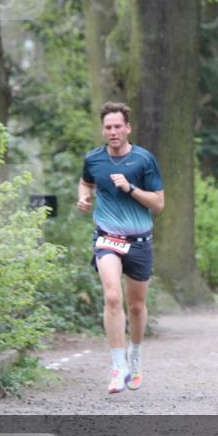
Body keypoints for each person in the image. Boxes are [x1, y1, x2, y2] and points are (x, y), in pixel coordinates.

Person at [77, 102, 165, 394]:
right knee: (112, 297)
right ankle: (118, 367)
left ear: (128, 128)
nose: (113, 132)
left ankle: (135, 357)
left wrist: (131, 188)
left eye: (118, 126)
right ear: (103, 130)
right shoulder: (94, 159)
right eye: (108, 127)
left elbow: (159, 204)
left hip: (139, 241)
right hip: (107, 239)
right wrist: (84, 198)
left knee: (137, 306)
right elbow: (86, 182)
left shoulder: (143, 160)